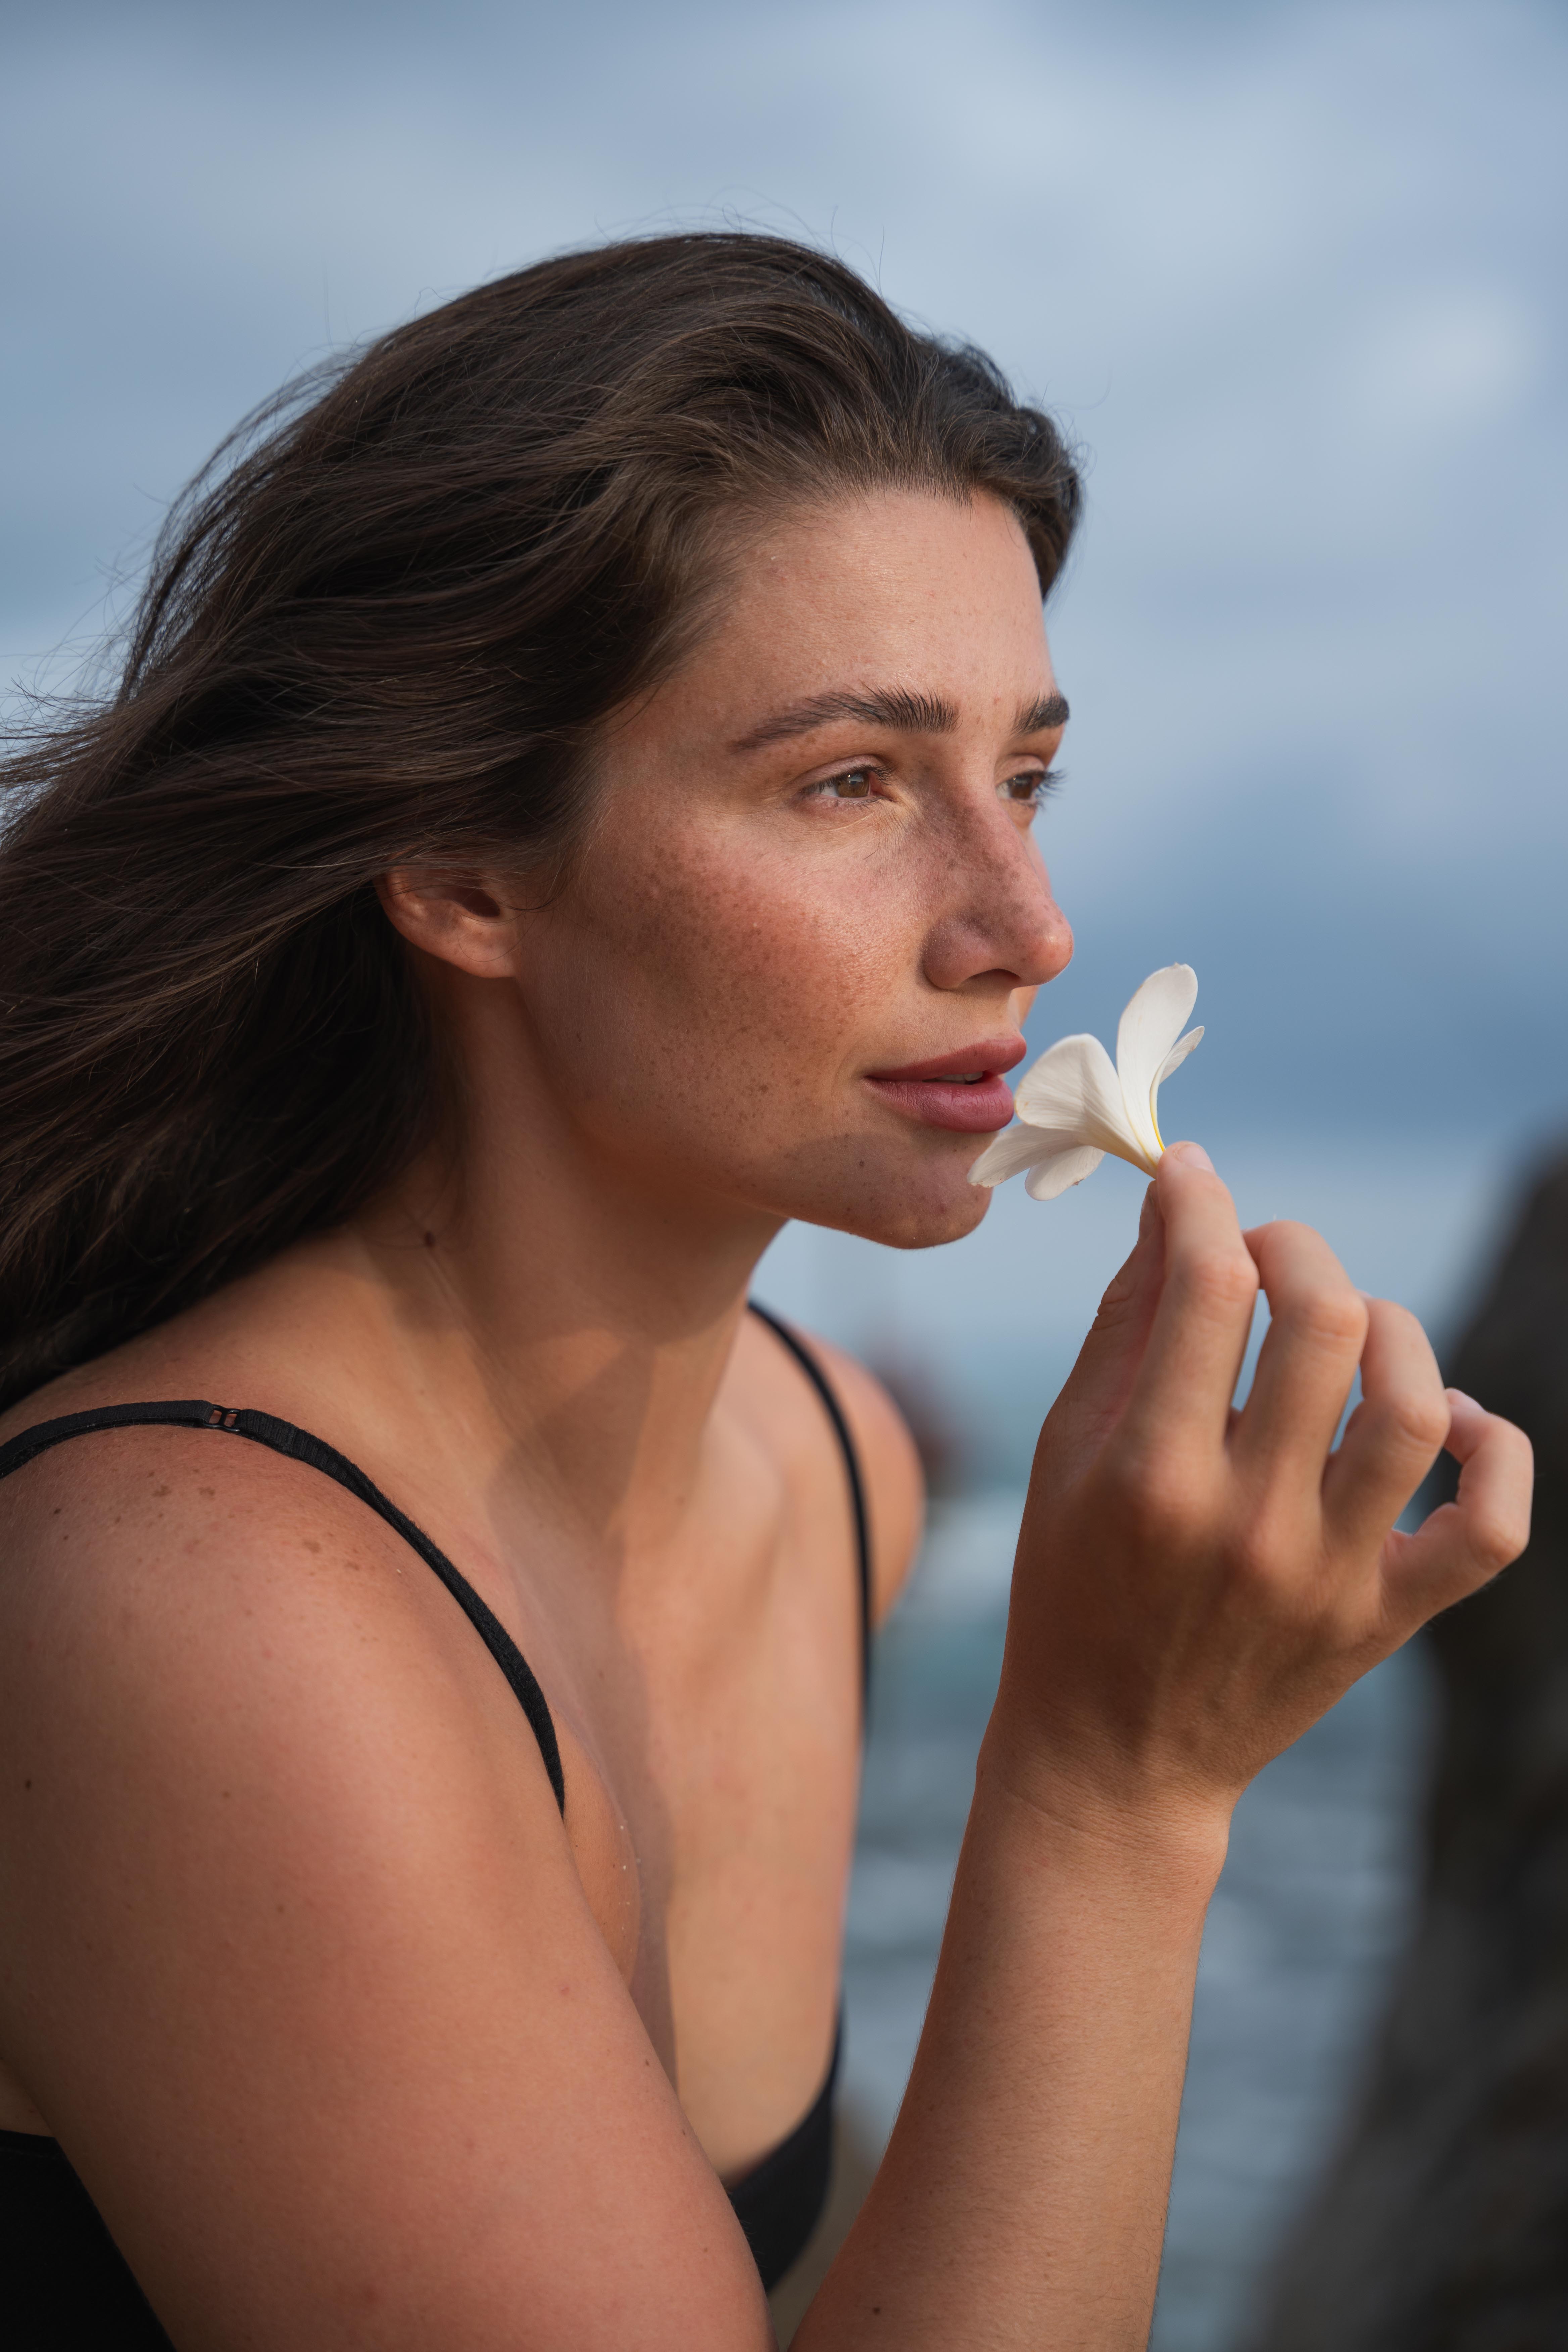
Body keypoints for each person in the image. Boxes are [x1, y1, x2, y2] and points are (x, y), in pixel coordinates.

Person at [0, 233, 1531, 2352]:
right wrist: (1114, 1791)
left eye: (1027, 777)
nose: (1027, 923)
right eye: (853, 783)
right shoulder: (189, 1601)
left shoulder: (836, 1475)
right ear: (461, 871)